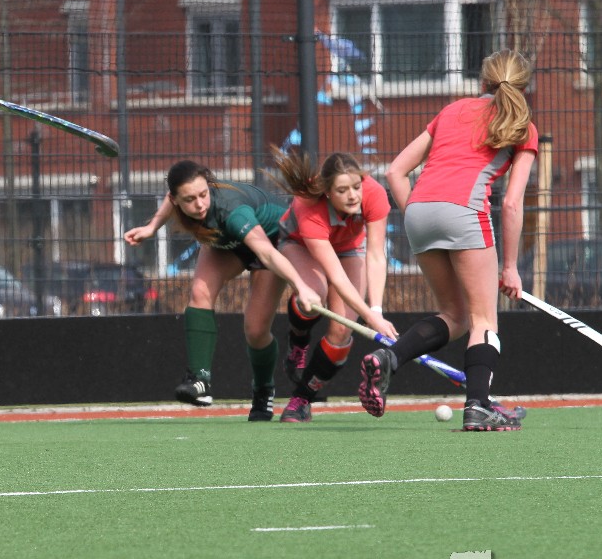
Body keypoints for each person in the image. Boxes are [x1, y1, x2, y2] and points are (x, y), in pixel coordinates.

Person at [357, 49, 537, 432]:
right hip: (464, 212)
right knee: (483, 319)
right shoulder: (522, 125)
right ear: (524, 87)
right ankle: (478, 406)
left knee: (455, 316)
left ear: (483, 81)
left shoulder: (452, 110)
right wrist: (510, 267)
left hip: (419, 210)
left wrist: (419, 216)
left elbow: (395, 171)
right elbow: (511, 203)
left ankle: (389, 359)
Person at [124, 161, 322, 422]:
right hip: (230, 242)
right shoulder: (179, 199)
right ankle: (200, 380)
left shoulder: (232, 211)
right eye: (190, 199)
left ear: (209, 186)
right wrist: (152, 227)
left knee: (255, 330)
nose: (199, 205)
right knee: (200, 291)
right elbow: (170, 200)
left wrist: (301, 287)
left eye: (203, 194)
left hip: (271, 241)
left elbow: (266, 253)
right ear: (176, 199)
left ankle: (263, 391)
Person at [271, 150, 400, 422]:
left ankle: (301, 399)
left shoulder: (374, 194)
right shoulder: (309, 206)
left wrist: (376, 310)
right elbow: (337, 278)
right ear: (328, 193)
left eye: (356, 187)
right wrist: (369, 317)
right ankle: (298, 341)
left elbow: (376, 255)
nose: (353, 196)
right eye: (342, 190)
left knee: (342, 329)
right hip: (299, 244)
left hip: (349, 248)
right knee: (313, 297)